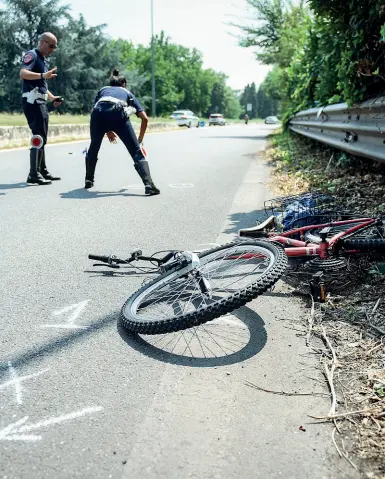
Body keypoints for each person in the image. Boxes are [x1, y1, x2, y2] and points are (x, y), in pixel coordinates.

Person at [85, 68, 160, 195]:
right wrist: (140, 140)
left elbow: (100, 110)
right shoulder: (127, 92)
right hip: (118, 115)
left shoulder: (103, 90)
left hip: (97, 116)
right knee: (136, 151)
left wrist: (107, 129)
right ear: (124, 84)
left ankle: (88, 180)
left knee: (94, 146)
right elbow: (144, 118)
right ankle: (149, 185)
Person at [20, 32, 64, 185]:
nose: (53, 49)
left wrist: (52, 98)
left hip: (40, 101)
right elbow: (23, 73)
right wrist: (43, 75)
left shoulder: (42, 59)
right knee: (38, 136)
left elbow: (41, 84)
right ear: (43, 42)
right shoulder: (32, 55)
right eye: (51, 46)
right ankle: (33, 174)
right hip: (32, 102)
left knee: (42, 137)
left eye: (54, 47)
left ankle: (42, 170)